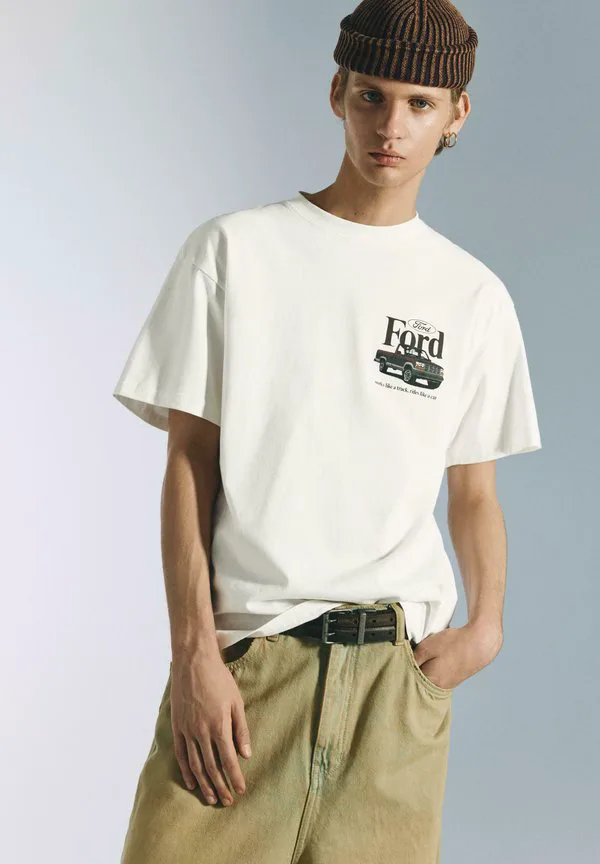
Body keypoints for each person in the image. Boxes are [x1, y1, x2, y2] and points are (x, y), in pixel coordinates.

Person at [112, 1, 542, 862]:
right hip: (250, 672)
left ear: (457, 113)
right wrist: (194, 657)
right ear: (338, 90)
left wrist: (486, 627)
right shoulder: (234, 252)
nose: (392, 126)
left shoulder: (473, 297)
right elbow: (189, 464)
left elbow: (474, 491)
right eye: (372, 95)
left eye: (420, 103)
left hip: (393, 689)